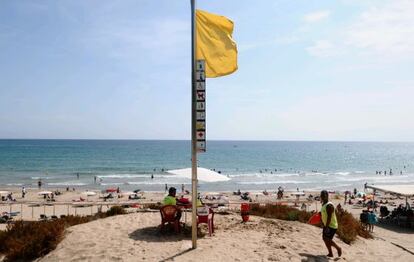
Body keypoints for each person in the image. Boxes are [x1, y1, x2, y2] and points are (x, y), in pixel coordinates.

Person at [320, 190, 342, 258]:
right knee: (325, 238)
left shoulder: (329, 205)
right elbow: (324, 214)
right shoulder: (323, 204)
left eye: (324, 195)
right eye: (322, 195)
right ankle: (330, 253)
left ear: (327, 196)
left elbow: (329, 217)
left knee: (327, 239)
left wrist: (326, 227)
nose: (323, 197)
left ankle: (338, 248)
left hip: (331, 225)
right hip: (326, 225)